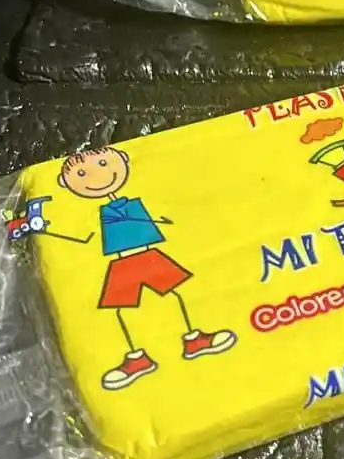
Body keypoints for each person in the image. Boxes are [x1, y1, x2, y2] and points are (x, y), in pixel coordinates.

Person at [58, 146, 236, 391]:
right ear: (64, 183)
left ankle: (194, 339)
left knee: (174, 296)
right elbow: (89, 238)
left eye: (103, 164)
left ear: (123, 159)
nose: (97, 176)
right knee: (122, 311)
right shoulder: (99, 214)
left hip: (148, 257)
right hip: (123, 263)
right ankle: (136, 359)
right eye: (81, 174)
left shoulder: (132, 205)